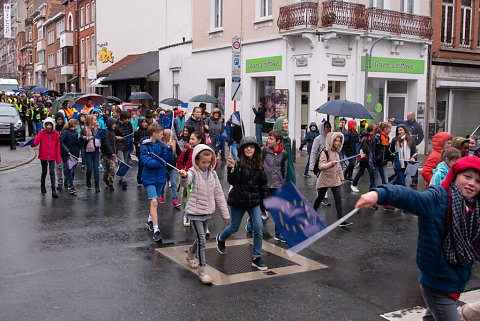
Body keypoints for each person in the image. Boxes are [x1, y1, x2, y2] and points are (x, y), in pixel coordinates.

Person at [355, 156, 480, 321]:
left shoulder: (475, 209)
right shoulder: (439, 198)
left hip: (456, 279)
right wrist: (379, 193)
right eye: (467, 176)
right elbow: (411, 197)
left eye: (478, 181)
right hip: (436, 282)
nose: (472, 183)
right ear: (454, 175)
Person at [178, 145, 229, 284]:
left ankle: (190, 255)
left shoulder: (213, 174)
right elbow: (185, 182)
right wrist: (183, 176)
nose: (206, 165)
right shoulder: (192, 172)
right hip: (194, 213)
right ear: (196, 160)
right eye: (203, 162)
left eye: (208, 162)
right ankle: (202, 271)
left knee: (199, 240)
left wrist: (225, 214)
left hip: (207, 211)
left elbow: (218, 193)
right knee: (202, 240)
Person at [216, 136, 268, 271]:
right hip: (238, 200)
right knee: (234, 227)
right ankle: (221, 238)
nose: (249, 149)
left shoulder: (260, 166)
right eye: (246, 147)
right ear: (242, 150)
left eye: (252, 147)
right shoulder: (238, 164)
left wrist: (264, 206)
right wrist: (231, 169)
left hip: (254, 201)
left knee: (258, 227)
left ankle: (257, 257)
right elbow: (233, 181)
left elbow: (263, 186)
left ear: (256, 149)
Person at [140, 124, 174, 242]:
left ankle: (150, 220)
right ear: (154, 133)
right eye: (160, 134)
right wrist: (159, 163)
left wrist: (169, 149)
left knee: (157, 200)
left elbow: (168, 160)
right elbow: (146, 162)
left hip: (160, 177)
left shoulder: (162, 145)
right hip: (149, 178)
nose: (162, 136)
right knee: (153, 202)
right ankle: (156, 230)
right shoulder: (144, 147)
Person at [312, 132, 352, 227]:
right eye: (336, 141)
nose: (338, 143)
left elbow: (339, 167)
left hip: (335, 179)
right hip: (325, 179)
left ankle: (341, 220)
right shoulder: (325, 152)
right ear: (331, 141)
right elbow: (321, 166)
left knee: (338, 200)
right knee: (320, 198)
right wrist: (331, 164)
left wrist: (342, 178)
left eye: (339, 141)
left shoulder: (337, 153)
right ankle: (312, 214)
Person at [177, 132, 204, 227]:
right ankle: (187, 214)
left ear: (199, 140)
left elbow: (209, 163)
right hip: (188, 177)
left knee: (200, 198)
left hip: (200, 178)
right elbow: (179, 162)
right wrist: (183, 171)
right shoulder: (186, 151)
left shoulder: (203, 151)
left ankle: (201, 220)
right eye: (190, 139)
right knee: (186, 197)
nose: (190, 141)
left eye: (193, 139)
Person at [390, 112, 424, 186]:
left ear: (405, 130)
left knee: (400, 179)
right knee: (402, 182)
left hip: (408, 162)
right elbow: (391, 150)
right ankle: (404, 195)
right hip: (398, 163)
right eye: (398, 130)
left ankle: (390, 186)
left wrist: (413, 158)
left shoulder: (411, 140)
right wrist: (393, 157)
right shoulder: (394, 140)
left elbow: (414, 152)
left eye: (401, 130)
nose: (399, 132)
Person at [33, 117, 61, 199]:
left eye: (50, 125)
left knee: (52, 172)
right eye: (47, 125)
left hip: (52, 156)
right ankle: (42, 186)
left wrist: (58, 159)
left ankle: (53, 190)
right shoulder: (41, 133)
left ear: (52, 125)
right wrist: (32, 143)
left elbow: (57, 147)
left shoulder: (55, 134)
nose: (48, 127)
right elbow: (36, 141)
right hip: (43, 155)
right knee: (44, 171)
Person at [309, 120, 332, 205]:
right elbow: (313, 152)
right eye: (327, 127)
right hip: (319, 164)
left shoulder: (331, 138)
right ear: (323, 128)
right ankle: (323, 197)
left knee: (326, 181)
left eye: (330, 127)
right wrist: (312, 166)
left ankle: (322, 196)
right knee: (321, 181)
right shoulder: (318, 139)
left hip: (329, 163)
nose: (329, 129)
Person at [351, 123, 376, 193]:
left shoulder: (370, 136)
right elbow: (365, 148)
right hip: (364, 158)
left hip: (367, 158)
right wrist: (371, 154)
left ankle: (372, 188)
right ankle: (354, 184)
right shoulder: (365, 138)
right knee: (361, 172)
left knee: (371, 173)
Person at [159, 129, 181, 208]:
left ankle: (175, 199)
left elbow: (179, 153)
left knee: (173, 183)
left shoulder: (174, 143)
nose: (172, 137)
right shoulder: (161, 144)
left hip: (172, 166)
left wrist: (176, 160)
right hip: (163, 166)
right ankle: (161, 195)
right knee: (163, 182)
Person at [60, 119, 81, 195]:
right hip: (67, 154)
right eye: (77, 125)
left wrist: (82, 138)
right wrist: (66, 151)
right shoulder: (65, 132)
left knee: (72, 169)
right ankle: (71, 186)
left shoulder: (75, 133)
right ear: (74, 125)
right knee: (70, 169)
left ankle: (69, 182)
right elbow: (61, 142)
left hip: (73, 153)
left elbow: (76, 142)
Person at [81, 115, 101, 193]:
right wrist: (87, 138)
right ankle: (88, 179)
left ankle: (97, 184)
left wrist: (99, 129)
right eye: (95, 120)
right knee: (89, 168)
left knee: (96, 168)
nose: (96, 122)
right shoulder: (85, 129)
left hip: (95, 149)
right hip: (88, 150)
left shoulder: (96, 129)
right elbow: (81, 140)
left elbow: (100, 137)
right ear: (90, 121)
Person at [273, 116, 295, 185]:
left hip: (289, 167)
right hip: (278, 169)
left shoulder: (288, 139)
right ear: (279, 125)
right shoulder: (273, 139)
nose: (286, 125)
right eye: (284, 123)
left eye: (287, 123)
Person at [115, 111, 133, 191]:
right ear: (122, 118)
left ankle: (121, 177)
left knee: (124, 162)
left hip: (127, 144)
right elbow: (113, 133)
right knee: (121, 162)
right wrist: (117, 137)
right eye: (127, 119)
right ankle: (123, 179)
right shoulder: (117, 124)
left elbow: (131, 132)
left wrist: (132, 137)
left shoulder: (129, 124)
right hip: (119, 145)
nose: (128, 120)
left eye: (129, 119)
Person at [101, 118, 117, 191]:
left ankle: (111, 183)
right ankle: (105, 179)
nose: (115, 126)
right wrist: (111, 152)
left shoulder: (113, 132)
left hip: (112, 154)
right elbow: (107, 143)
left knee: (112, 168)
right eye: (113, 124)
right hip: (107, 154)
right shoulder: (106, 132)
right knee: (106, 169)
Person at [134, 117, 149, 184]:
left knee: (147, 164)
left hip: (148, 150)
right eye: (143, 122)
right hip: (140, 151)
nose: (145, 124)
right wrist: (138, 144)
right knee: (141, 164)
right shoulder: (137, 132)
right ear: (140, 124)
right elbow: (135, 141)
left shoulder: (148, 131)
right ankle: (139, 176)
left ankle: (145, 177)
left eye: (145, 122)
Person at [54, 112, 66, 191]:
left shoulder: (65, 127)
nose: (60, 121)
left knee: (66, 167)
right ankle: (60, 182)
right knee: (59, 167)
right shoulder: (54, 128)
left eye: (61, 119)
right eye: (58, 119)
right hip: (57, 150)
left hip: (65, 149)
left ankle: (67, 180)